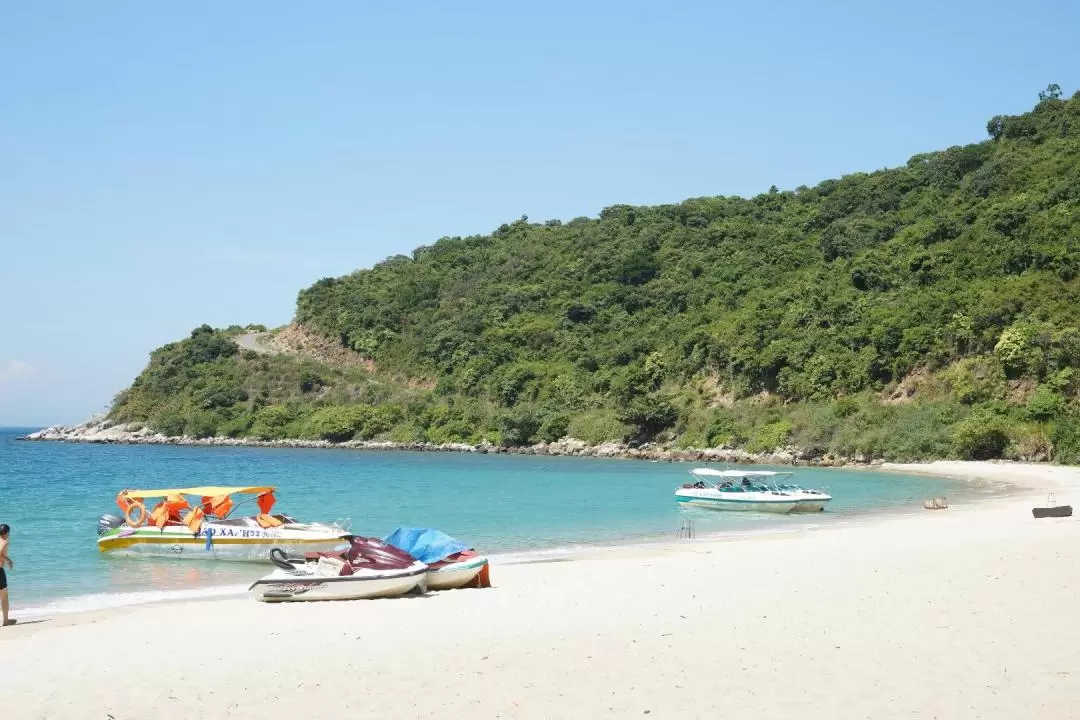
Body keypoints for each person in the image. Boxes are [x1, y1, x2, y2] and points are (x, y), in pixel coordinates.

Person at [0, 523, 13, 627]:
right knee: (4, 596)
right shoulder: (5, 542)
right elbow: (0, 553)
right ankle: (6, 621)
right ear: (6, 533)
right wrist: (8, 560)